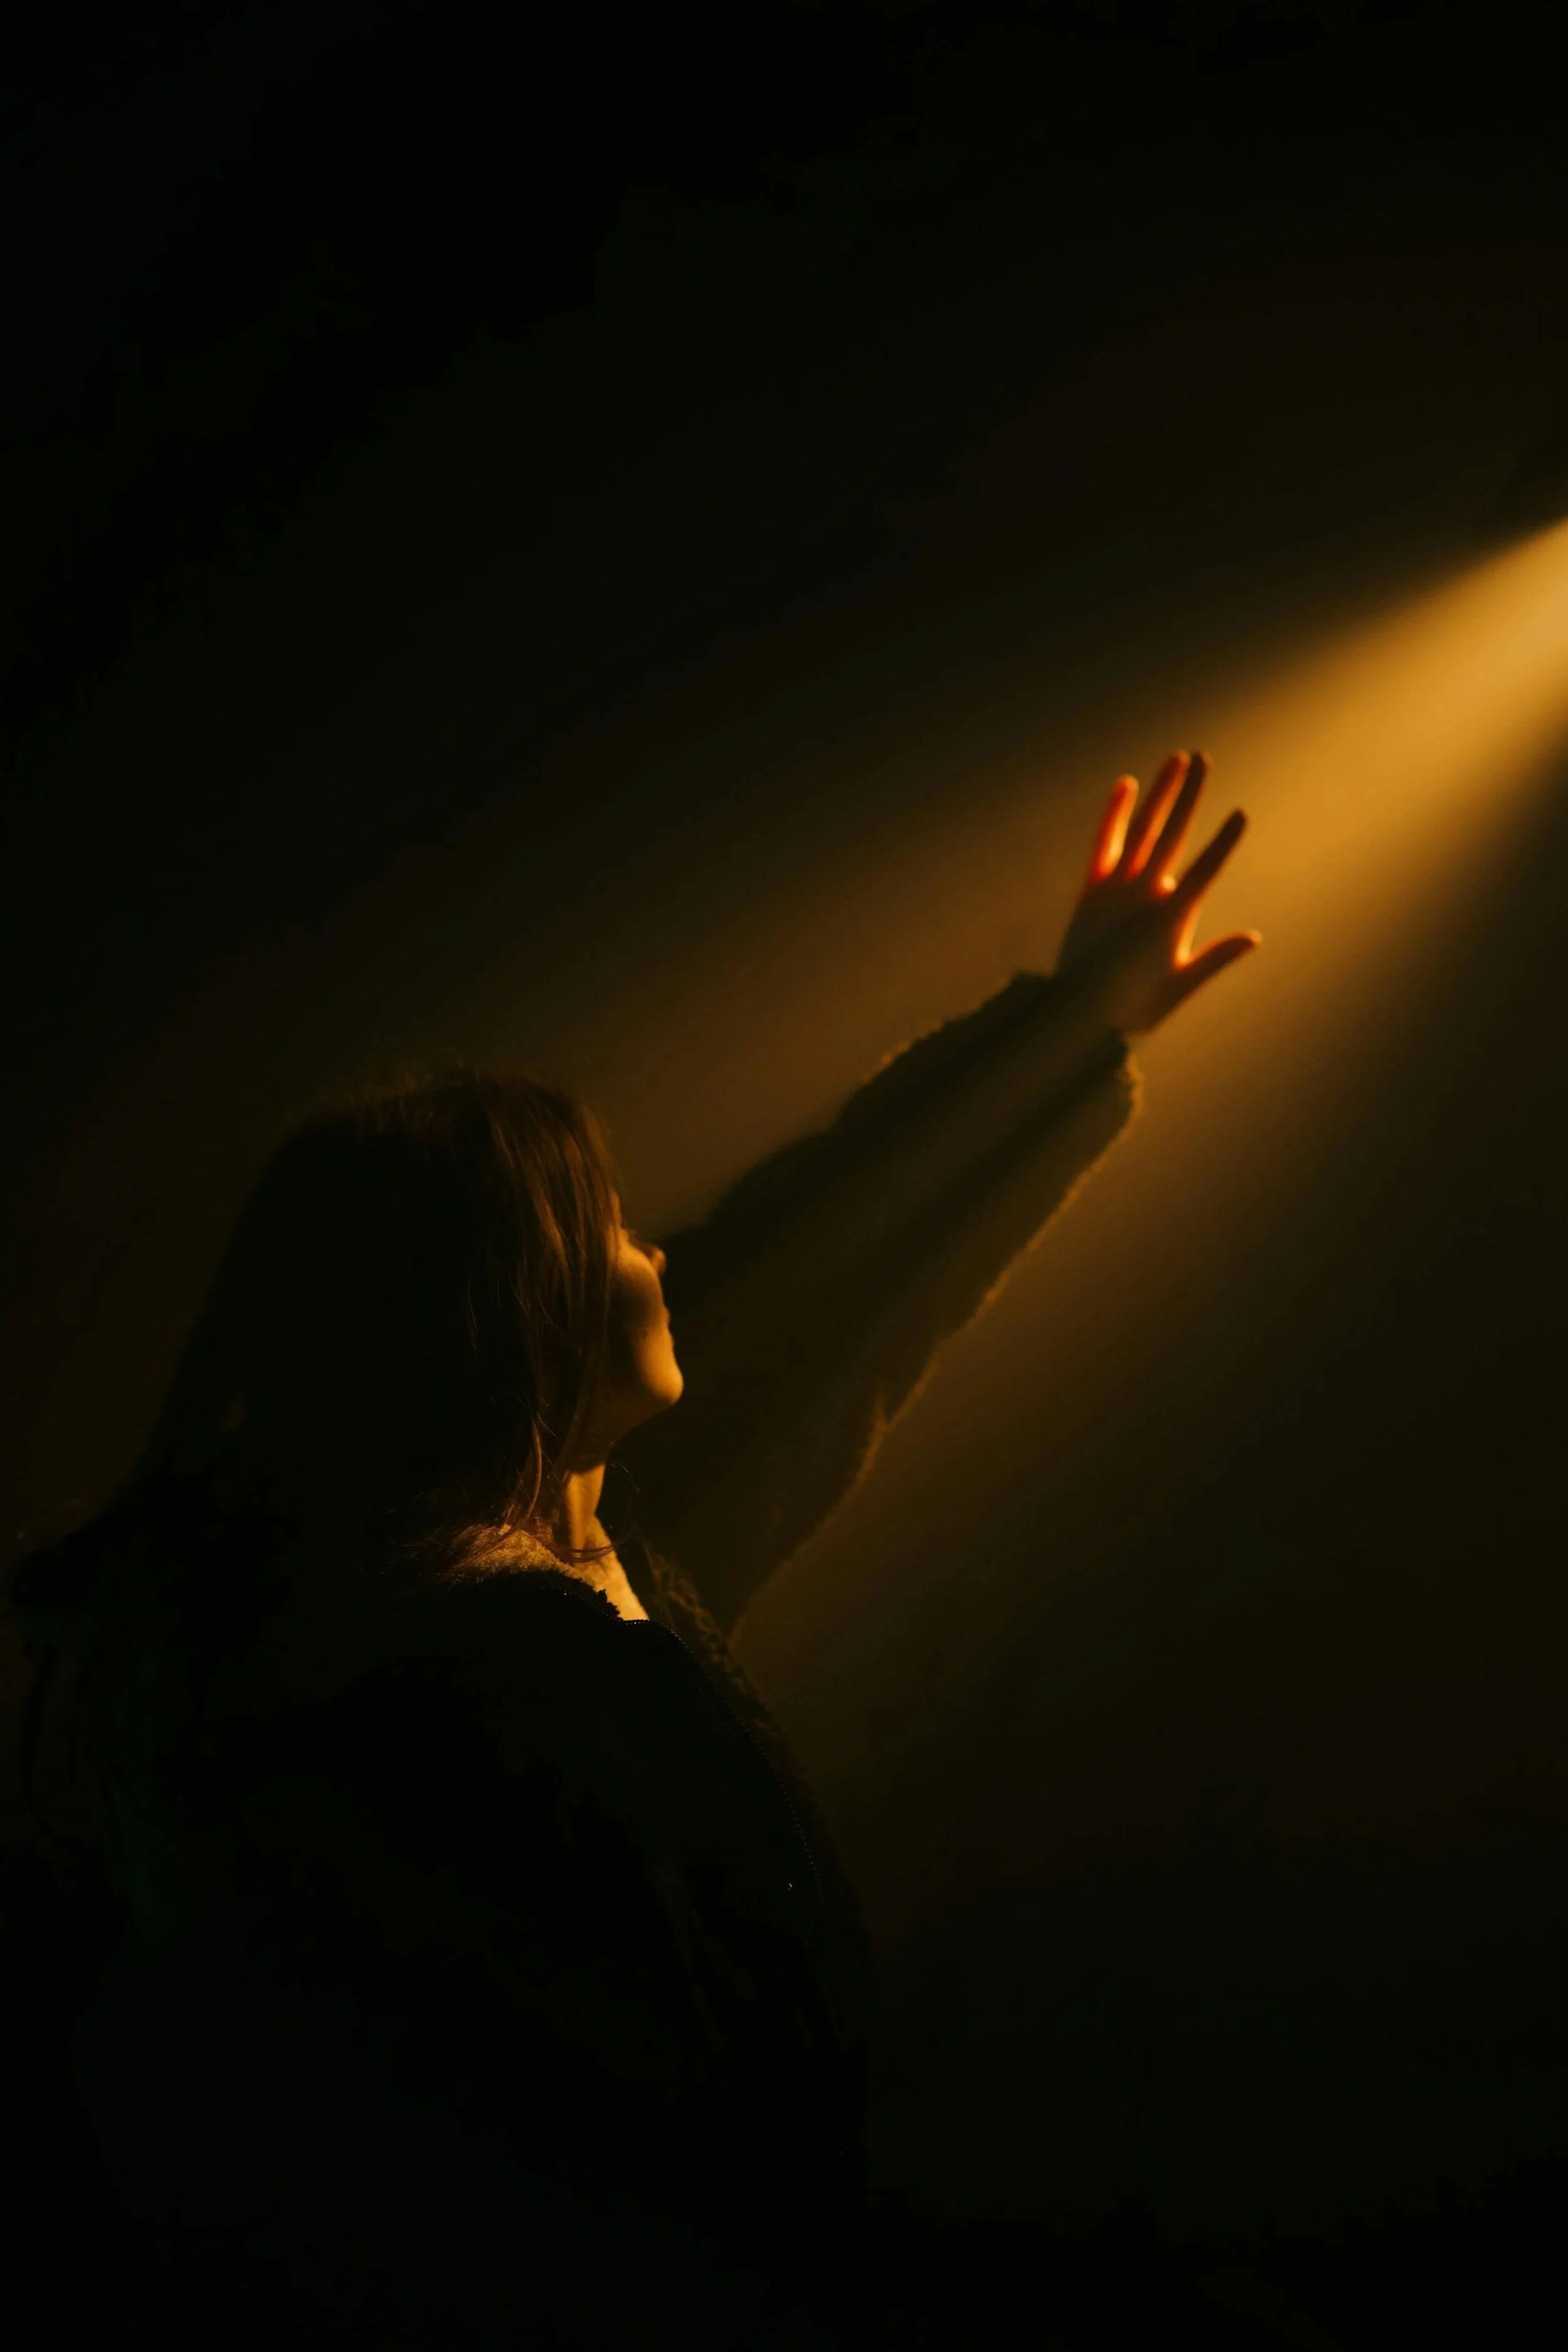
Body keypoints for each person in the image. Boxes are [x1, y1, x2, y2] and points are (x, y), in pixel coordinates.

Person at [10, 750, 1256, 2347]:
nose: (653, 1244)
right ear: (504, 1321)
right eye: (605, 1226)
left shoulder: (539, 1585)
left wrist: (1066, 1026)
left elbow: (825, 1266)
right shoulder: (464, 1729)